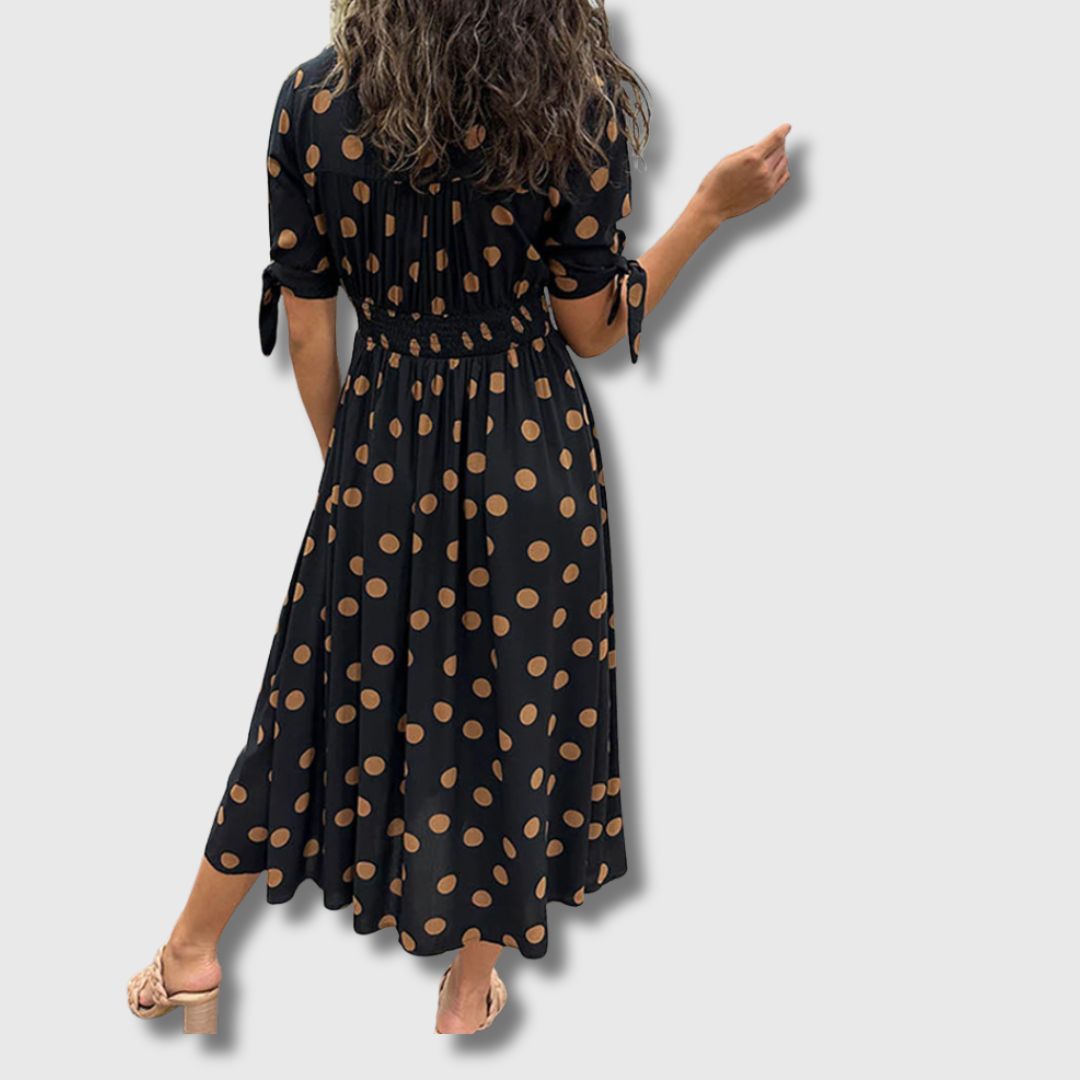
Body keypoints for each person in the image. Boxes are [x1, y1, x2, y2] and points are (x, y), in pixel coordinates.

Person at [127, 0, 791, 1037]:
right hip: (531, 458)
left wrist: (357, 478)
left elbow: (310, 330)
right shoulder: (569, 101)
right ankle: (470, 984)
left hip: (383, 443)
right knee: (512, 709)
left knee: (309, 693)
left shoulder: (312, 99)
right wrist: (708, 207)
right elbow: (590, 327)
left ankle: (193, 950)